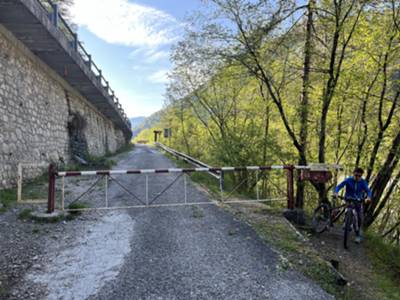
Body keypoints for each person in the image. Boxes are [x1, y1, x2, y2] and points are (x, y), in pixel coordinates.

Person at [333, 167, 372, 244]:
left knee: (360, 218)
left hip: (358, 201)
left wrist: (368, 197)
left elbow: (368, 191)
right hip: (348, 199)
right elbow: (339, 186)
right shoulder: (348, 180)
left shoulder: (363, 182)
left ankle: (358, 235)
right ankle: (347, 222)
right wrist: (336, 192)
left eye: (359, 176)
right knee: (345, 209)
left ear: (361, 176)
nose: (357, 177)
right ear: (353, 174)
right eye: (356, 175)